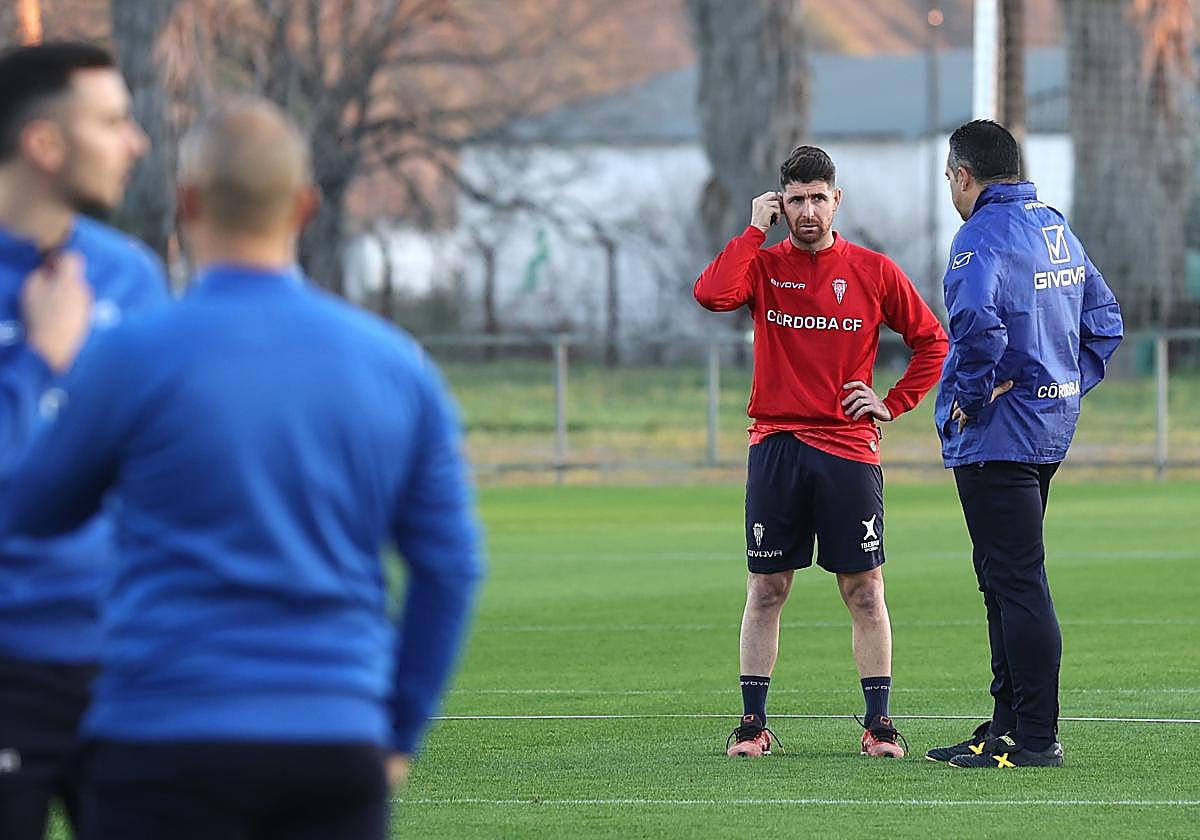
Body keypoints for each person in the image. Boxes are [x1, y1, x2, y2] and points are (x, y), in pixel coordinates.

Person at [0, 98, 484, 838]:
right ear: (305, 206)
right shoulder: (396, 366)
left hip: (161, 734)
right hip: (333, 736)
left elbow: (32, 510)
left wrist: (52, 365)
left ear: (186, 203)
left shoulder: (132, 354)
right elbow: (450, 567)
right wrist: (397, 731)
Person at [695, 145, 948, 759]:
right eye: (796, 198)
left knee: (864, 589)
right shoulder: (761, 264)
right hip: (777, 446)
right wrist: (754, 231)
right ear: (781, 203)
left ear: (837, 200)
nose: (808, 210)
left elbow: (932, 342)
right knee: (767, 588)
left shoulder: (872, 270)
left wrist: (892, 402)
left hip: (847, 452)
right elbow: (711, 294)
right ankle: (753, 727)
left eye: (818, 197)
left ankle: (879, 726)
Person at [0, 42, 169, 840]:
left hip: (128, 661)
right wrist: (45, 361)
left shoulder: (131, 276)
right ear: (44, 144)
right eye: (112, 121)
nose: (135, 142)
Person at [925, 120, 1122, 769]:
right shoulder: (1054, 226)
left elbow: (977, 323)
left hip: (999, 436)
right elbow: (1104, 320)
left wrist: (972, 397)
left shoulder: (979, 236)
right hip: (1045, 429)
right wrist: (1064, 386)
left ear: (962, 175)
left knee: (1016, 581)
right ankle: (1007, 724)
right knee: (1002, 579)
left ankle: (1036, 738)